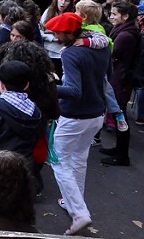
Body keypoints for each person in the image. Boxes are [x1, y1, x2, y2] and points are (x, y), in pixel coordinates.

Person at [44, 12, 110, 236]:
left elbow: (73, 91)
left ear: (71, 33)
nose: (54, 36)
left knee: (59, 163)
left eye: (58, 33)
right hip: (96, 114)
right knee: (79, 160)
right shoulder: (100, 46)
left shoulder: (71, 54)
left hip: (74, 116)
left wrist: (48, 86)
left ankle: (79, 212)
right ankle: (74, 203)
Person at [100, 0, 139, 166]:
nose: (111, 16)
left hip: (120, 80)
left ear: (125, 16)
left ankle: (123, 155)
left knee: (120, 115)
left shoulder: (125, 35)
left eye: (115, 14)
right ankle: (118, 149)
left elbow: (111, 51)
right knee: (118, 116)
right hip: (119, 78)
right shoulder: (124, 30)